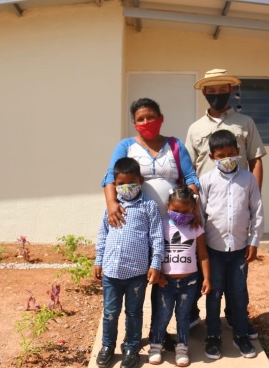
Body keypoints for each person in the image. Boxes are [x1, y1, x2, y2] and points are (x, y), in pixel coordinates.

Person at [102, 97, 201, 351]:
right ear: (134, 123)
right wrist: (112, 204)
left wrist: (195, 208)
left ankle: (159, 332)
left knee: (163, 277)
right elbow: (110, 178)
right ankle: (138, 334)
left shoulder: (175, 145)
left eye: (150, 117)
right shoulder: (126, 146)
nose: (146, 122)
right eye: (140, 119)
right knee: (141, 278)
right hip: (138, 225)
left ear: (161, 118)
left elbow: (191, 178)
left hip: (171, 225)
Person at [185, 68, 266, 338]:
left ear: (230, 91)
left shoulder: (245, 122)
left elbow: (255, 161)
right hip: (206, 208)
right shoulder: (195, 128)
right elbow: (188, 168)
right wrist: (192, 208)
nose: (217, 94)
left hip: (236, 207)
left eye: (222, 89)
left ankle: (236, 316)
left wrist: (251, 198)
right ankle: (193, 313)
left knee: (236, 273)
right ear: (204, 92)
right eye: (211, 90)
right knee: (201, 264)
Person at [93, 157, 165, 368]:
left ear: (140, 180)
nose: (127, 187)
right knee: (110, 312)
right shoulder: (111, 208)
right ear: (115, 185)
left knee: (134, 313)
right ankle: (107, 346)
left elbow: (156, 237)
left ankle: (131, 348)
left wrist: (156, 264)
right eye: (121, 184)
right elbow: (103, 235)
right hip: (111, 273)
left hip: (136, 274)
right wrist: (98, 260)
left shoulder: (149, 206)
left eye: (131, 182)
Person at [198, 130, 264, 360]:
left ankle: (240, 334)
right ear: (212, 157)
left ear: (238, 152)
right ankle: (213, 336)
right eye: (221, 156)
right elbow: (200, 215)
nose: (227, 159)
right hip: (213, 250)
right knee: (214, 293)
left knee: (238, 293)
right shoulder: (206, 181)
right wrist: (201, 248)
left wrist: (254, 241)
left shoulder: (248, 179)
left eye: (230, 154)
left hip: (239, 250)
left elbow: (257, 211)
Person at [148, 186, 211, 367]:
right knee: (162, 315)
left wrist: (207, 278)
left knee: (183, 317)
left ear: (193, 210)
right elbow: (152, 250)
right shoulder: (161, 225)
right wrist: (156, 274)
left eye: (185, 211)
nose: (180, 215)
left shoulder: (196, 227)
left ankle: (182, 347)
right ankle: (156, 345)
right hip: (164, 282)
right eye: (175, 210)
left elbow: (203, 255)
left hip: (189, 282)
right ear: (168, 206)